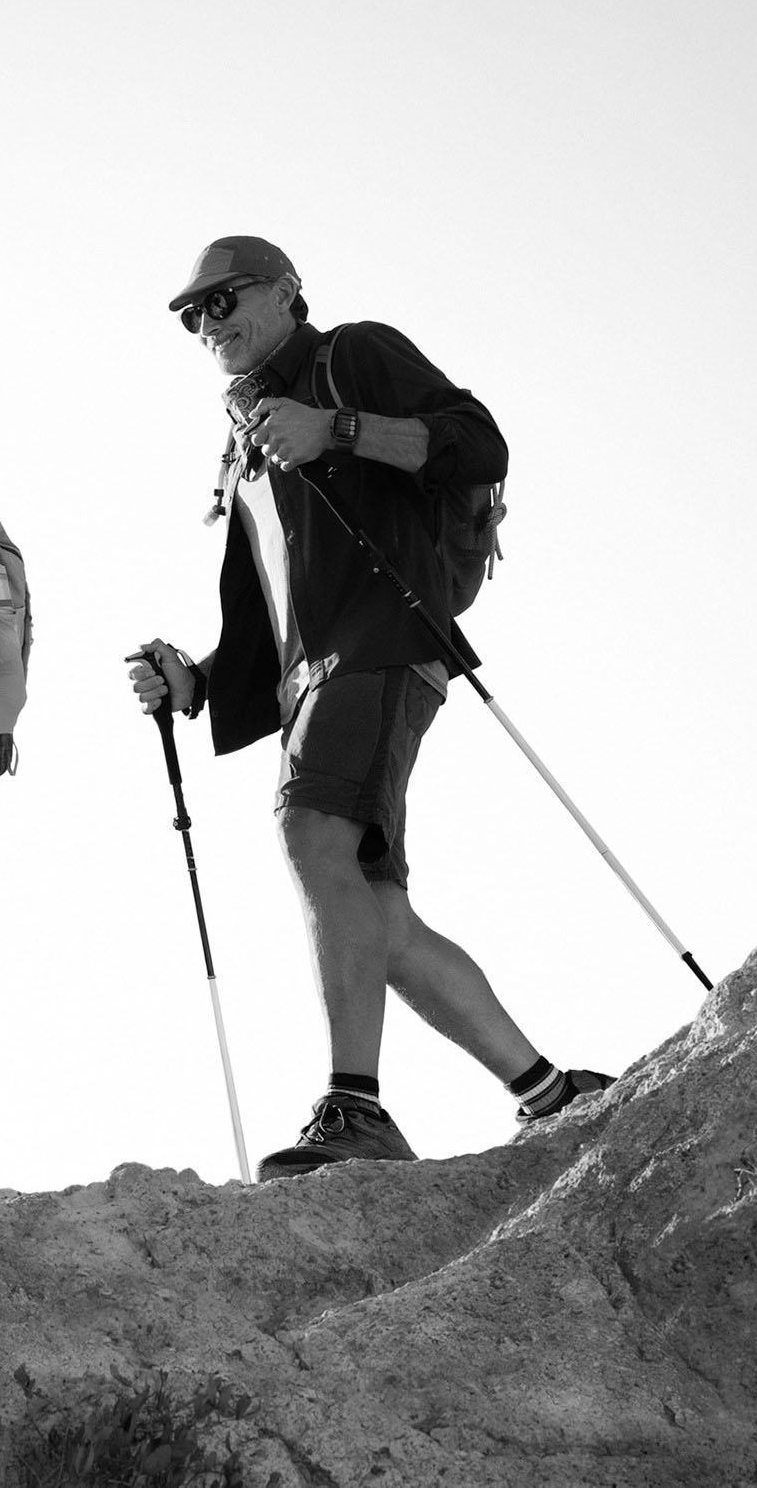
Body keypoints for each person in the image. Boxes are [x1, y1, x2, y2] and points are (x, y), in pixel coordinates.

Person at [127, 236, 609, 1182]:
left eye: (223, 300)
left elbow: (478, 442)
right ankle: (552, 1092)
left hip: (383, 645)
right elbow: (274, 620)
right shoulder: (243, 446)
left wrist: (336, 429)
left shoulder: (354, 353)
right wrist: (198, 682)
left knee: (311, 835)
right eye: (191, 315)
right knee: (377, 915)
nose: (207, 323)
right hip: (318, 677)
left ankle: (356, 1107)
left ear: (284, 293)